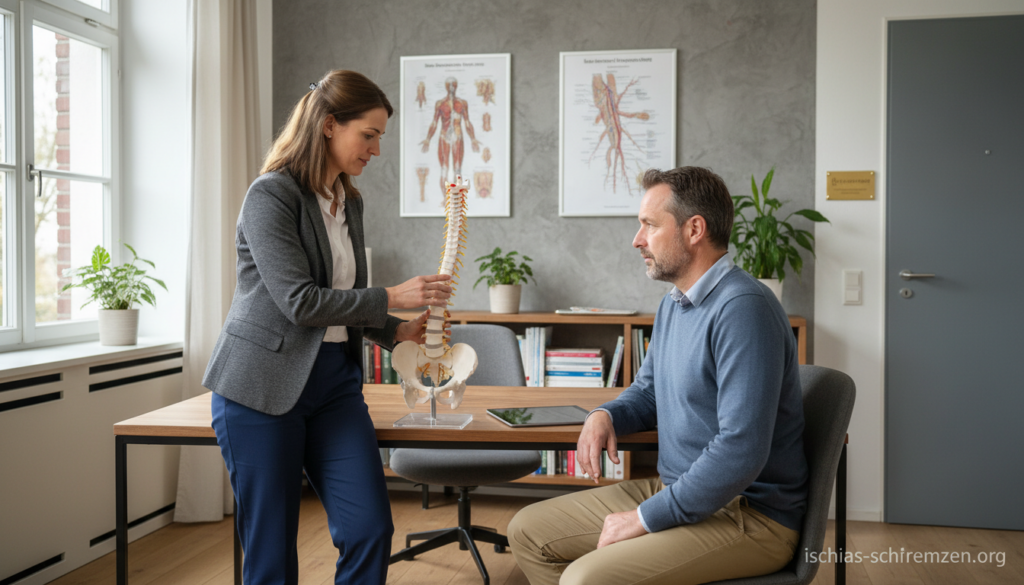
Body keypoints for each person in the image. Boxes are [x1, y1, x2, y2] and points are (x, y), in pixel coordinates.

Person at [202, 70, 452, 585]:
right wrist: (390, 295)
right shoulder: (270, 196)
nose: (376, 150)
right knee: (271, 555)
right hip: (261, 387)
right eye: (370, 134)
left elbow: (338, 294)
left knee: (369, 529)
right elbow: (300, 301)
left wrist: (394, 329)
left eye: (381, 137)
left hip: (334, 385)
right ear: (329, 126)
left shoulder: (349, 200)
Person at [508, 166, 808, 585]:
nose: (637, 240)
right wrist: (605, 415)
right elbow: (649, 393)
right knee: (527, 531)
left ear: (694, 229)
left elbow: (741, 449)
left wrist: (646, 519)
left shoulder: (743, 308)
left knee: (585, 579)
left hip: (749, 516)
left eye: (649, 225)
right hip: (679, 492)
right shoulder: (675, 303)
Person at [420, 76, 481, 198]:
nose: (452, 87)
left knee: (457, 169)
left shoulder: (462, 103)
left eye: (454, 84)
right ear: (446, 87)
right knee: (444, 169)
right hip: (444, 137)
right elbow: (434, 122)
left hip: (457, 136)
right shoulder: (440, 104)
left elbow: (467, 122)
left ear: (457, 86)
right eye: (450, 85)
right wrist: (427, 139)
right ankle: (445, 199)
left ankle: (456, 199)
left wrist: (473, 138)